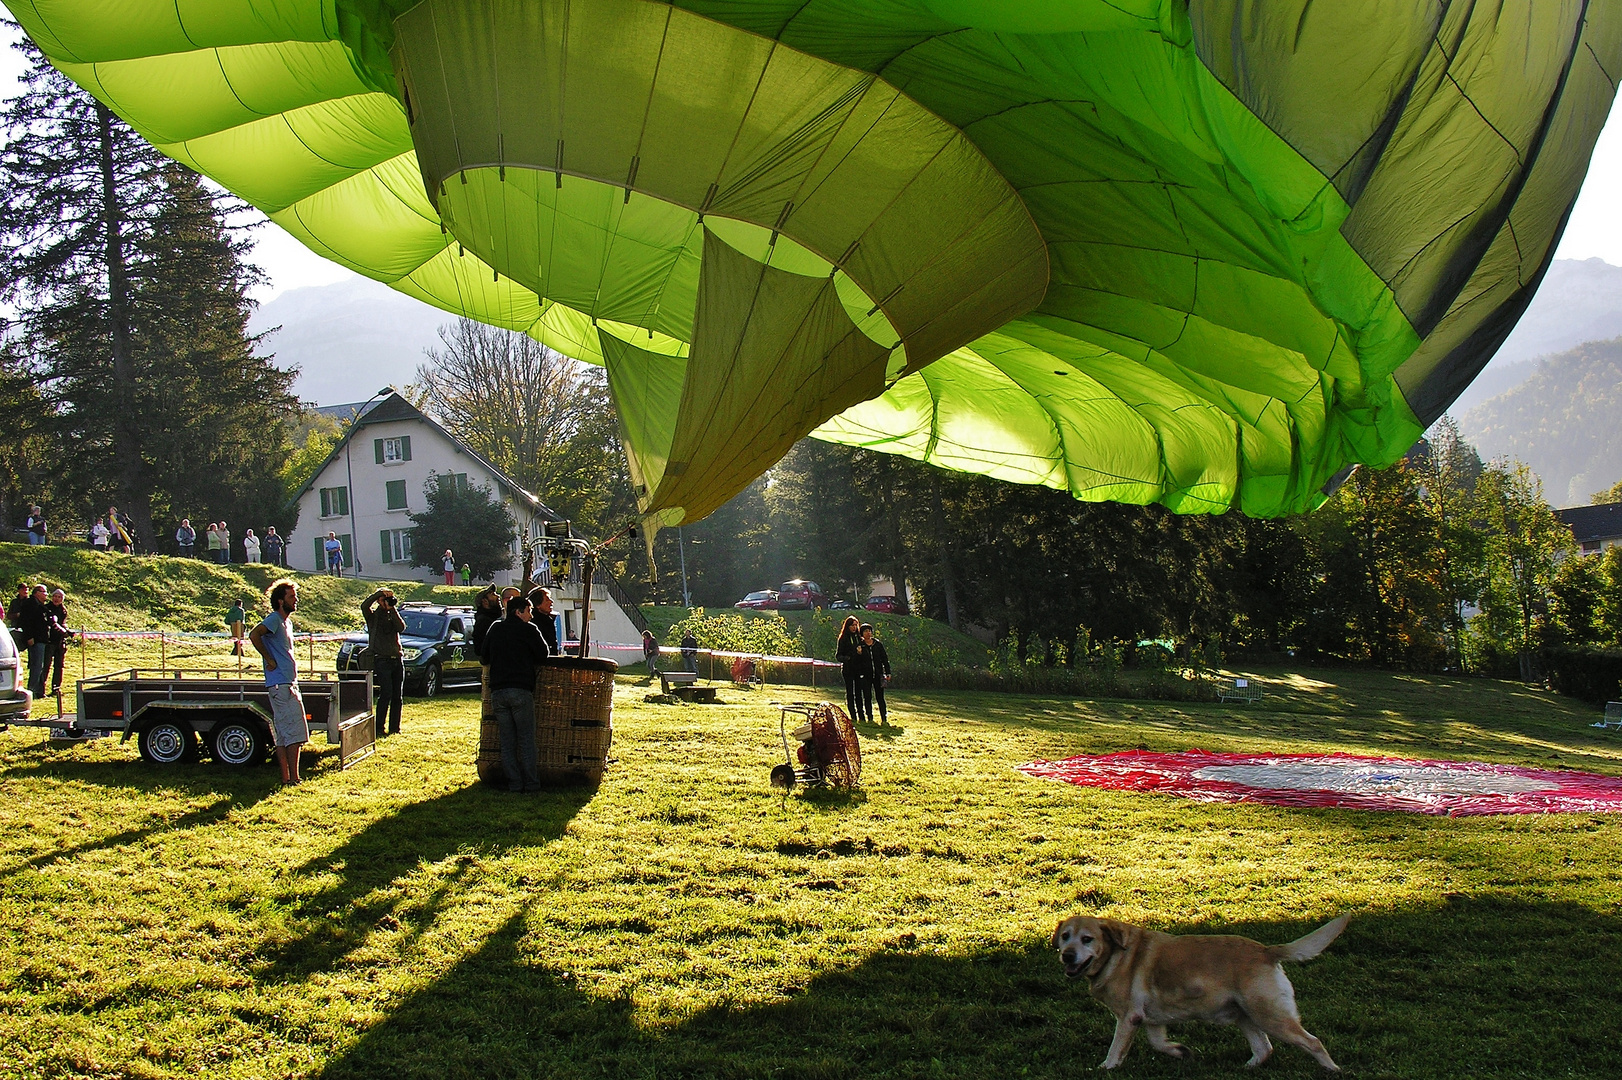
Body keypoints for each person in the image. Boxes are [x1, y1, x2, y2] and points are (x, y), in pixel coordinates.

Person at [477, 592, 551, 792]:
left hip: (498, 691)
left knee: (507, 740)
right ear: (518, 612)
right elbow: (544, 655)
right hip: (520, 689)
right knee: (526, 739)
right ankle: (532, 783)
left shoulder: (495, 628)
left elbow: (484, 657)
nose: (531, 616)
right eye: (528, 611)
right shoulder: (529, 630)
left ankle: (514, 783)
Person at [249, 579, 307, 785]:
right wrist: (269, 658)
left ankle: (288, 778)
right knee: (293, 732)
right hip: (280, 684)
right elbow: (254, 634)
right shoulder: (274, 619)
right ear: (281, 601)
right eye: (291, 597)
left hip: (287, 682)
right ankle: (293, 778)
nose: (296, 599)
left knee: (285, 733)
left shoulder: (286, 622)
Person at [362, 588, 406, 737]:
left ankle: (395, 728)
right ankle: (379, 727)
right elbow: (364, 606)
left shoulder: (392, 614)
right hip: (382, 660)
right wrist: (378, 596)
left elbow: (401, 627)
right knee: (386, 693)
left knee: (397, 696)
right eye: (383, 601)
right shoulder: (373, 617)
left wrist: (392, 609)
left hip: (397, 659)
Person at [20, 584, 50, 700]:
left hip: (41, 639)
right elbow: (26, 622)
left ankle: (39, 690)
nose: (46, 594)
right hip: (35, 639)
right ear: (37, 592)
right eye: (44, 592)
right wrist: (29, 637)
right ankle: (32, 690)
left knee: (40, 666)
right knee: (36, 666)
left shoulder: (41, 606)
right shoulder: (30, 604)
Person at [835, 615, 867, 723]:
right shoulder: (843, 639)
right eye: (852, 625)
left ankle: (861, 715)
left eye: (856, 625)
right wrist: (848, 658)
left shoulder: (859, 638)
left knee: (859, 692)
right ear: (847, 626)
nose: (854, 627)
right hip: (848, 669)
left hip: (858, 669)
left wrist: (861, 654)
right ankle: (853, 715)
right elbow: (838, 656)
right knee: (850, 692)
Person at [860, 622, 892, 726]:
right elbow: (857, 661)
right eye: (865, 631)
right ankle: (870, 718)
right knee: (867, 697)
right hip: (866, 675)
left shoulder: (878, 644)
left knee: (880, 697)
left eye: (869, 631)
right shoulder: (861, 646)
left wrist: (888, 672)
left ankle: (884, 718)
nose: (868, 633)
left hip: (878, 675)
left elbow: (885, 659)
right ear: (862, 634)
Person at [44, 588, 71, 698]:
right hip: (49, 640)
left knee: (59, 666)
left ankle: (56, 688)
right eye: (55, 596)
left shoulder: (63, 610)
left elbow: (63, 623)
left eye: (59, 597)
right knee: (46, 665)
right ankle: (41, 688)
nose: (56, 599)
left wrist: (66, 630)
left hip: (60, 641)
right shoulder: (47, 608)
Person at [527, 586, 560, 654]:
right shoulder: (534, 623)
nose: (551, 601)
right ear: (537, 605)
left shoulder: (548, 620)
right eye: (547, 600)